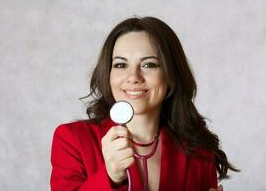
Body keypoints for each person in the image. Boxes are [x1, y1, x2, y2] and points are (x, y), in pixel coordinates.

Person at [50, 16, 239, 191]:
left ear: (171, 76)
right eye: (121, 65)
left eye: (149, 65)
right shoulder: (72, 139)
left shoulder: (199, 151)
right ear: (108, 75)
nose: (133, 77)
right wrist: (110, 176)